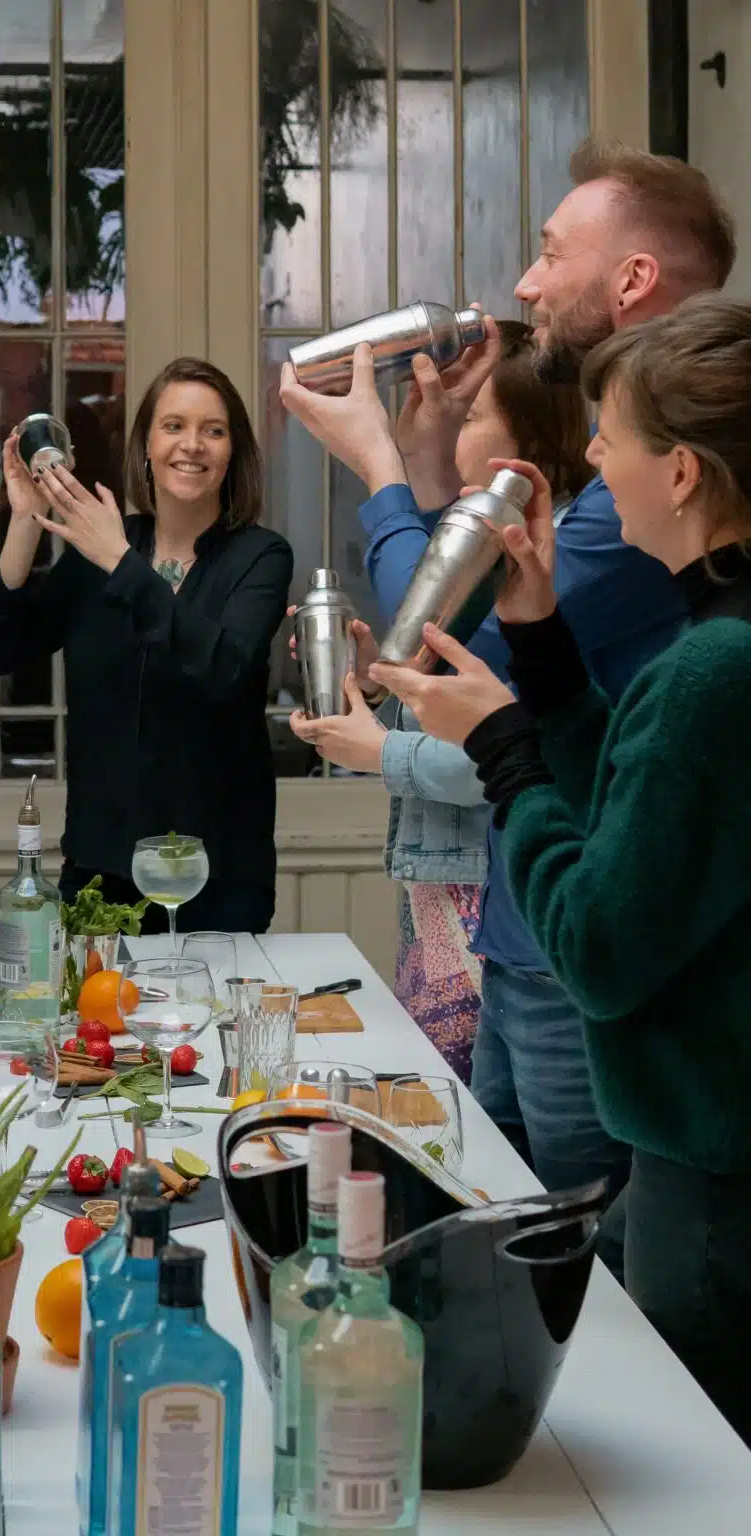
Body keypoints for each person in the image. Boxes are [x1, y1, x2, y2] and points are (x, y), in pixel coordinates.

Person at [279, 139, 734, 1206]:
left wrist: (381, 468)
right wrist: (427, 468)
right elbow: (494, 645)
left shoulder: (661, 518)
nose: (524, 284)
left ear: (631, 278)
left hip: (593, 957)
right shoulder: (638, 481)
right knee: (504, 1214)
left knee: (581, 1255)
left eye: (549, 252)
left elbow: (455, 642)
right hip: (527, 926)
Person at [371, 294, 751, 1444]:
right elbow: (629, 818)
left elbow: (593, 946)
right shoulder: (713, 646)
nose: (589, 462)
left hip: (709, 1183)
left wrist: (500, 747)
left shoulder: (711, 672)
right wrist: (535, 637)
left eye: (607, 436)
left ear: (677, 473)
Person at [288, 323, 591, 1083]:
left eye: (470, 412)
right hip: (459, 895)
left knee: (461, 1127)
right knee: (456, 1125)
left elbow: (503, 742)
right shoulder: (489, 539)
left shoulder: (544, 556)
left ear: (523, 444)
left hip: (495, 901)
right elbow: (459, 686)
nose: (445, 424)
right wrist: (378, 680)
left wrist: (380, 751)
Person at [0, 357, 294, 933]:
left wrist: (120, 562)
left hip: (217, 872)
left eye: (213, 430)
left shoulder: (260, 557)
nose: (191, 445)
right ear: (146, 444)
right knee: (92, 998)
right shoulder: (103, 547)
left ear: (233, 453)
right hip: (100, 868)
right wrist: (26, 519)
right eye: (173, 426)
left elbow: (225, 669)